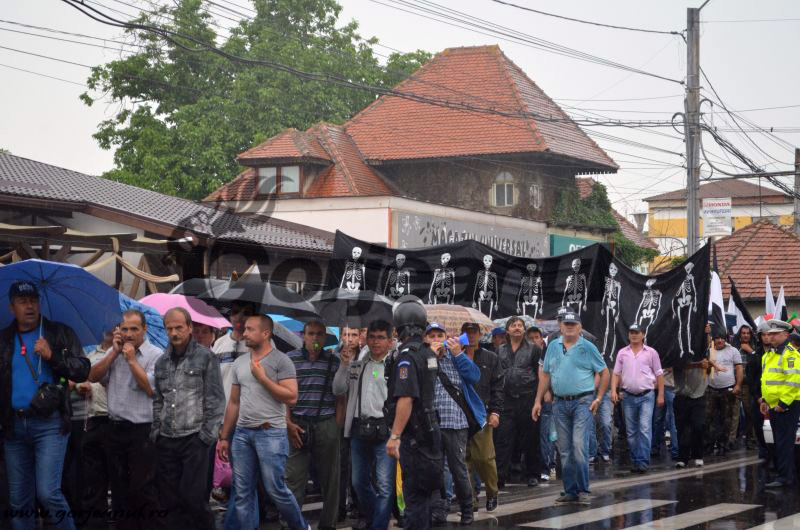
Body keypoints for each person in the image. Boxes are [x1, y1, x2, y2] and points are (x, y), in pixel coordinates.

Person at [0, 281, 90, 530]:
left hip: (49, 425)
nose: (29, 306)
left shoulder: (59, 333)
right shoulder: (4, 340)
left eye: (33, 300)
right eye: (22, 301)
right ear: (11, 308)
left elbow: (83, 370)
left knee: (48, 493)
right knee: (19, 500)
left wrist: (54, 357)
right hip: (14, 426)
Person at [217, 315, 307, 530]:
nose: (244, 333)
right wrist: (224, 437)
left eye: (250, 329)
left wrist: (263, 378)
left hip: (271, 434)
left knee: (276, 489)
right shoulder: (240, 362)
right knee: (243, 491)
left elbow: (291, 397)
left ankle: (301, 527)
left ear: (265, 333)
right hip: (242, 434)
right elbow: (234, 403)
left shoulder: (281, 361)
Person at [150, 308, 225, 529]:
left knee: (193, 497)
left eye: (179, 327)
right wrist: (156, 430)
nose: (174, 332)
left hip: (194, 438)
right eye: (169, 328)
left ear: (189, 328)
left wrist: (206, 437)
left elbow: (215, 399)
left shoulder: (205, 357)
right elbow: (158, 399)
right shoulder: (161, 361)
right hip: (166, 438)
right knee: (169, 499)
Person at [88, 309, 161, 530]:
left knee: (142, 489)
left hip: (143, 431)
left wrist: (131, 360)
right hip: (115, 428)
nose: (129, 334)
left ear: (144, 329)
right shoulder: (115, 351)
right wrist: (113, 354)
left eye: (134, 329)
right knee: (119, 490)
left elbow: (150, 389)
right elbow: (93, 376)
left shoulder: (155, 355)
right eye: (125, 329)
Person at [533, 312, 608, 505]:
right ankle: (570, 490)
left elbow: (604, 371)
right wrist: (538, 400)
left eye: (573, 324)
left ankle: (583, 489)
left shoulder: (588, 346)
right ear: (560, 326)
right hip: (559, 402)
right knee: (564, 449)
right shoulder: (552, 346)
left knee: (578, 445)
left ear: (580, 327)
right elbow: (546, 375)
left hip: (582, 400)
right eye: (566, 324)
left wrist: (598, 398)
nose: (569, 327)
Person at [385, 296, 443, 529]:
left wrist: (395, 436)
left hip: (415, 436)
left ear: (402, 328)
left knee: (415, 499)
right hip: (430, 431)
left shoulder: (407, 358)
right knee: (426, 497)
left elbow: (406, 399)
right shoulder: (428, 353)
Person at [333, 320, 395, 530]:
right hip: (360, 429)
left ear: (390, 341)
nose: (375, 342)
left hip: (385, 430)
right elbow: (338, 389)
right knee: (359, 483)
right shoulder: (359, 363)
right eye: (372, 337)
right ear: (366, 339)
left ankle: (378, 525)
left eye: (380, 337)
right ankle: (372, 516)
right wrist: (344, 365)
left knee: (385, 485)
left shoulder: (394, 364)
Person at [285, 321, 341, 530]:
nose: (315, 339)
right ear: (303, 335)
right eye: (311, 334)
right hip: (297, 424)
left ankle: (328, 525)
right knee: (293, 479)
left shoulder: (334, 361)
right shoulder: (290, 359)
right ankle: (291, 524)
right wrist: (288, 423)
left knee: (331, 481)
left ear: (325, 338)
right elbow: (285, 398)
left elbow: (340, 397)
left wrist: (336, 427)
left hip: (326, 423)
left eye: (319, 335)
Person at [425, 322, 480, 525]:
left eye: (440, 335)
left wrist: (458, 354)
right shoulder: (423, 359)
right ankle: (439, 508)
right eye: (432, 336)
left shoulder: (455, 357)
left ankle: (467, 509)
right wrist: (430, 357)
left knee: (458, 468)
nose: (437, 339)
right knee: (435, 469)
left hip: (456, 422)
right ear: (425, 340)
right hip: (431, 423)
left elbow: (475, 376)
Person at [212, 301, 257, 530]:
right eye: (235, 312)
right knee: (227, 480)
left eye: (246, 313)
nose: (239, 317)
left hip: (249, 421)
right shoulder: (218, 345)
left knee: (244, 481)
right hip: (223, 421)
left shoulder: (256, 347)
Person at [610, 324, 664, 473]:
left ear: (643, 334)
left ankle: (643, 462)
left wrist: (660, 395)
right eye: (631, 332)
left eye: (637, 332)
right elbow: (616, 373)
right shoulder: (622, 353)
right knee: (631, 431)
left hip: (647, 395)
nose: (634, 335)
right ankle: (635, 460)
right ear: (628, 335)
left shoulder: (651, 353)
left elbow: (659, 374)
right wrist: (613, 390)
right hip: (627, 396)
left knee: (645, 429)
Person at [495, 316, 541, 488]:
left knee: (531, 438)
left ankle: (532, 473)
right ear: (507, 330)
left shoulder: (534, 349)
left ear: (524, 330)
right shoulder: (499, 350)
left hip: (527, 398)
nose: (517, 328)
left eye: (520, 325)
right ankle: (500, 475)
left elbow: (540, 373)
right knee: (503, 439)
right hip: (506, 400)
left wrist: (540, 397)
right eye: (513, 325)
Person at [462, 322, 503, 513]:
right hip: (460, 413)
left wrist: (495, 411)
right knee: (464, 460)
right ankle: (470, 502)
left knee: (484, 458)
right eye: (467, 333)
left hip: (482, 413)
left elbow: (498, 386)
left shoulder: (491, 358)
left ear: (480, 334)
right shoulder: (454, 356)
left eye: (474, 332)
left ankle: (492, 492)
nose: (471, 336)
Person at [759, 319, 800, 488]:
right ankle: (784, 473)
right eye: (770, 334)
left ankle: (785, 477)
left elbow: (794, 381)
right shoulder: (769, 354)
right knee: (778, 441)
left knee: (784, 442)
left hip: (787, 405)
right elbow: (767, 380)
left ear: (785, 335)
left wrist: (782, 404)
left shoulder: (790, 355)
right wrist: (764, 400)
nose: (771, 336)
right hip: (773, 405)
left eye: (775, 334)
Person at [80, 331, 113, 529]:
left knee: (118, 478)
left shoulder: (123, 355)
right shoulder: (89, 357)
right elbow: (75, 381)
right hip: (92, 420)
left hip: (115, 420)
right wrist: (79, 386)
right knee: (93, 479)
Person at [673, 343, 723, 469]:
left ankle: (698, 455)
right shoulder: (677, 348)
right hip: (681, 394)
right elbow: (677, 364)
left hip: (699, 394)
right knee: (682, 428)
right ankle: (682, 458)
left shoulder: (705, 349)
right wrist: (698, 364)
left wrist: (711, 365)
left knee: (698, 425)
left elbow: (709, 363)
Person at [705, 330, 743, 456]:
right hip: (711, 389)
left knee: (727, 419)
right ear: (713, 340)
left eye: (722, 338)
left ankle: (724, 445)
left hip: (728, 389)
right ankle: (709, 446)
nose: (719, 340)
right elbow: (704, 369)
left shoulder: (733, 351)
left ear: (726, 339)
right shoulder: (709, 351)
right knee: (709, 419)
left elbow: (739, 369)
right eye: (717, 338)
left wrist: (738, 385)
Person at [732, 325, 757, 449]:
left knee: (750, 413)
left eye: (748, 333)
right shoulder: (733, 347)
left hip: (748, 385)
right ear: (740, 334)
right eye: (743, 333)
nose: (746, 335)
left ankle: (751, 440)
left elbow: (760, 362)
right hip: (734, 384)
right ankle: (730, 442)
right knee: (733, 414)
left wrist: (750, 351)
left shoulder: (755, 347)